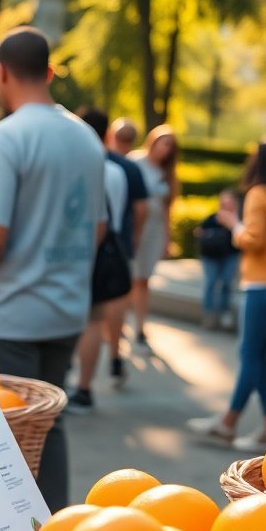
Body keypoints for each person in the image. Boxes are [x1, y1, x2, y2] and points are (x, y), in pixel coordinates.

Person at [0, 27, 106, 511]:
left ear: (1, 73)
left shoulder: (6, 137)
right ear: (48, 72)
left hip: (10, 312)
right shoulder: (87, 138)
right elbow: (99, 228)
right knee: (50, 423)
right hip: (66, 309)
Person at [188, 138, 266, 452]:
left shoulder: (259, 194)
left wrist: (232, 224)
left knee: (250, 355)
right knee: (257, 356)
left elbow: (252, 239)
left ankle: (228, 421)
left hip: (262, 285)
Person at [68, 107, 135, 413]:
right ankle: (85, 384)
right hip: (110, 251)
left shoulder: (83, 166)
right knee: (95, 320)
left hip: (82, 252)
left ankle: (77, 385)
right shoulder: (117, 170)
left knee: (86, 320)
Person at [104, 118, 149, 384]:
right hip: (120, 244)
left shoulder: (99, 164)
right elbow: (141, 210)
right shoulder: (131, 169)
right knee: (117, 301)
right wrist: (134, 237)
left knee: (95, 314)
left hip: (97, 247)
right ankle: (114, 355)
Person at [128, 125, 180, 351]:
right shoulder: (135, 163)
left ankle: (139, 327)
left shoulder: (167, 173)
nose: (166, 149)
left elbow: (167, 209)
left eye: (171, 145)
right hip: (133, 229)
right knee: (129, 278)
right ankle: (120, 323)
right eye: (164, 142)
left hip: (153, 231)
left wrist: (168, 239)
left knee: (143, 279)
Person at [197, 189, 243, 330]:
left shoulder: (238, 221)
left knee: (227, 283)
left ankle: (225, 312)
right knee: (211, 282)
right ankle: (209, 315)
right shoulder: (212, 219)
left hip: (230, 255)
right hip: (211, 256)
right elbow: (199, 232)